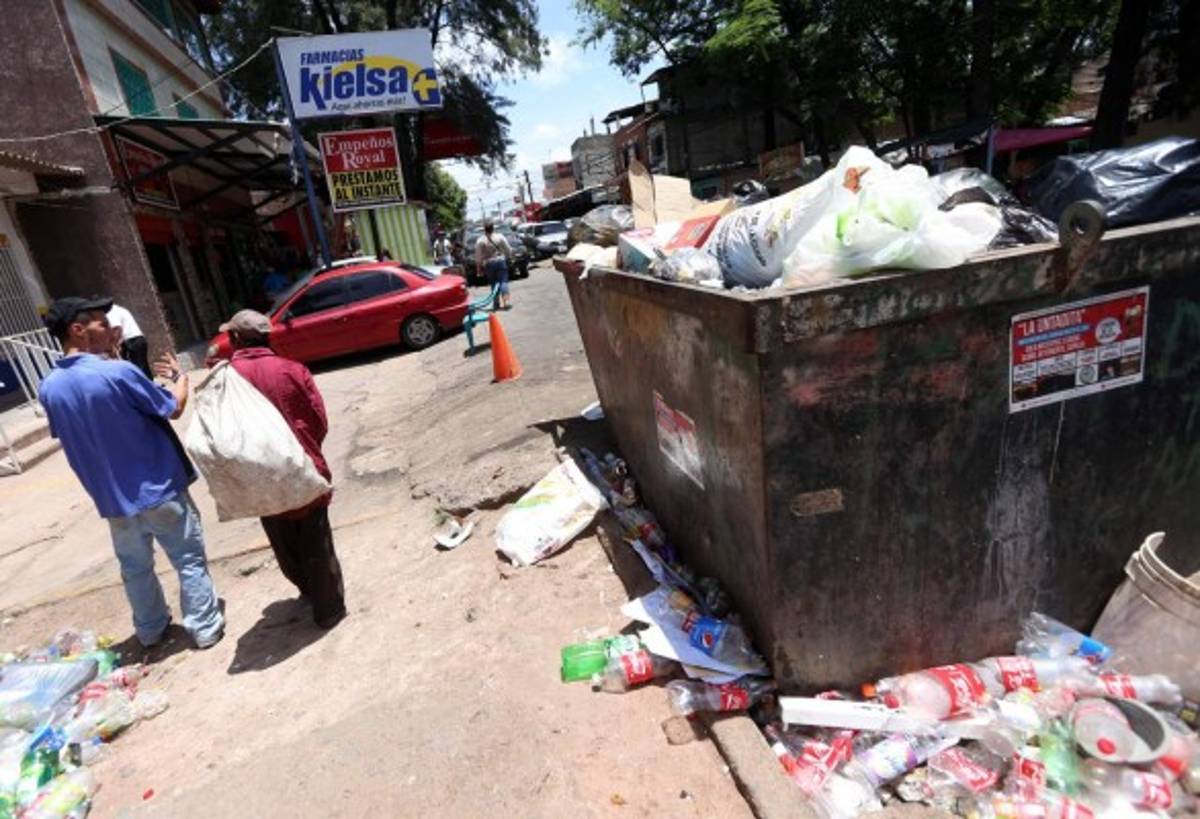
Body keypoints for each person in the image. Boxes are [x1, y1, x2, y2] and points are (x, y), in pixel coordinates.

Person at [37, 297, 224, 649]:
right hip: (158, 488)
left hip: (113, 500)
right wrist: (181, 379)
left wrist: (111, 356)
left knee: (135, 569)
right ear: (78, 330)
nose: (113, 328)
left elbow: (88, 426)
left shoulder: (49, 388)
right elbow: (172, 407)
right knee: (187, 559)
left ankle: (151, 630)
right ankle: (205, 628)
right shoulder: (119, 372)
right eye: (102, 323)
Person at [222, 309, 347, 629]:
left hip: (259, 475)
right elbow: (318, 420)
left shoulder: (226, 379)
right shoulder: (292, 370)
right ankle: (329, 610)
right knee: (316, 539)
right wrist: (306, 450)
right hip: (303, 468)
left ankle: (306, 588)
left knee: (282, 538)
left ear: (235, 338)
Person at [106, 302, 151, 380]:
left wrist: (114, 345)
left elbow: (117, 329)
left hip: (131, 341)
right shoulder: (121, 309)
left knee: (135, 368)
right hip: (138, 339)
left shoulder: (112, 311)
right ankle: (149, 384)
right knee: (142, 366)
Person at [474, 221, 513, 310]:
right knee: (503, 281)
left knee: (493, 283)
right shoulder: (499, 237)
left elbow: (478, 256)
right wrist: (508, 257)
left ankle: (496, 303)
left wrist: (478, 268)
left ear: (484, 230)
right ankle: (506, 302)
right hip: (500, 261)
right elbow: (508, 249)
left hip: (489, 264)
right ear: (493, 228)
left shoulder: (480, 240)